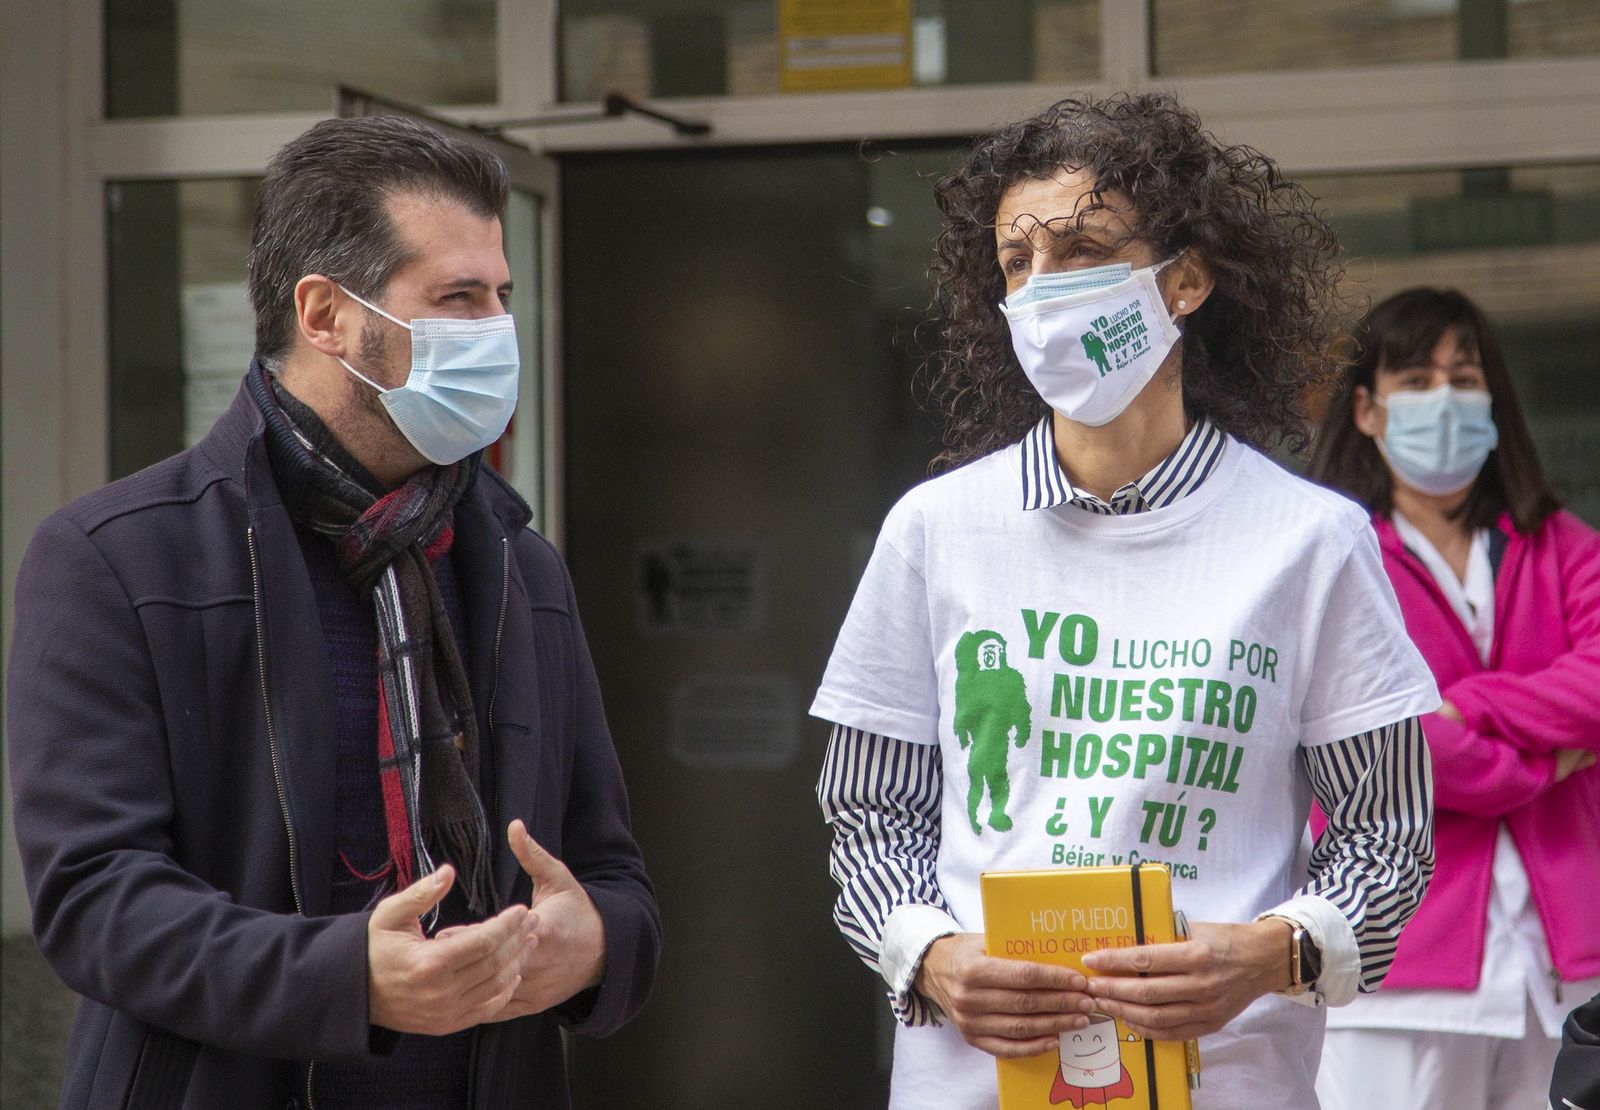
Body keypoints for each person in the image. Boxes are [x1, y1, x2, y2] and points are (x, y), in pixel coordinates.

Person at [7, 114, 660, 1109]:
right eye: (456, 297)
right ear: (324, 314)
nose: (495, 330)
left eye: (500, 296)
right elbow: (97, 901)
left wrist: (596, 946)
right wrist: (348, 979)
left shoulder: (518, 563)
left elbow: (610, 873)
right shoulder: (117, 557)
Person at [811, 92, 1440, 1109]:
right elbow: (871, 812)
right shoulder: (934, 531)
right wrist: (929, 957)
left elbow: (1386, 830)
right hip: (974, 1083)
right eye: (1018, 262)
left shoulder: (1309, 539)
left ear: (1184, 279)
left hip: (1229, 1081)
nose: (1042, 289)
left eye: (1082, 248)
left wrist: (1269, 953)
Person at [1309, 287, 1600, 1110]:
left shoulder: (1558, 544)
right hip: (1395, 965)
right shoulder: (1332, 551)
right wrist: (1542, 768)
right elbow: (1387, 737)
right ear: (1366, 410)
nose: (1445, 400)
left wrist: (1470, 708)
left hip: (1562, 969)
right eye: (1416, 381)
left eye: (1464, 378)